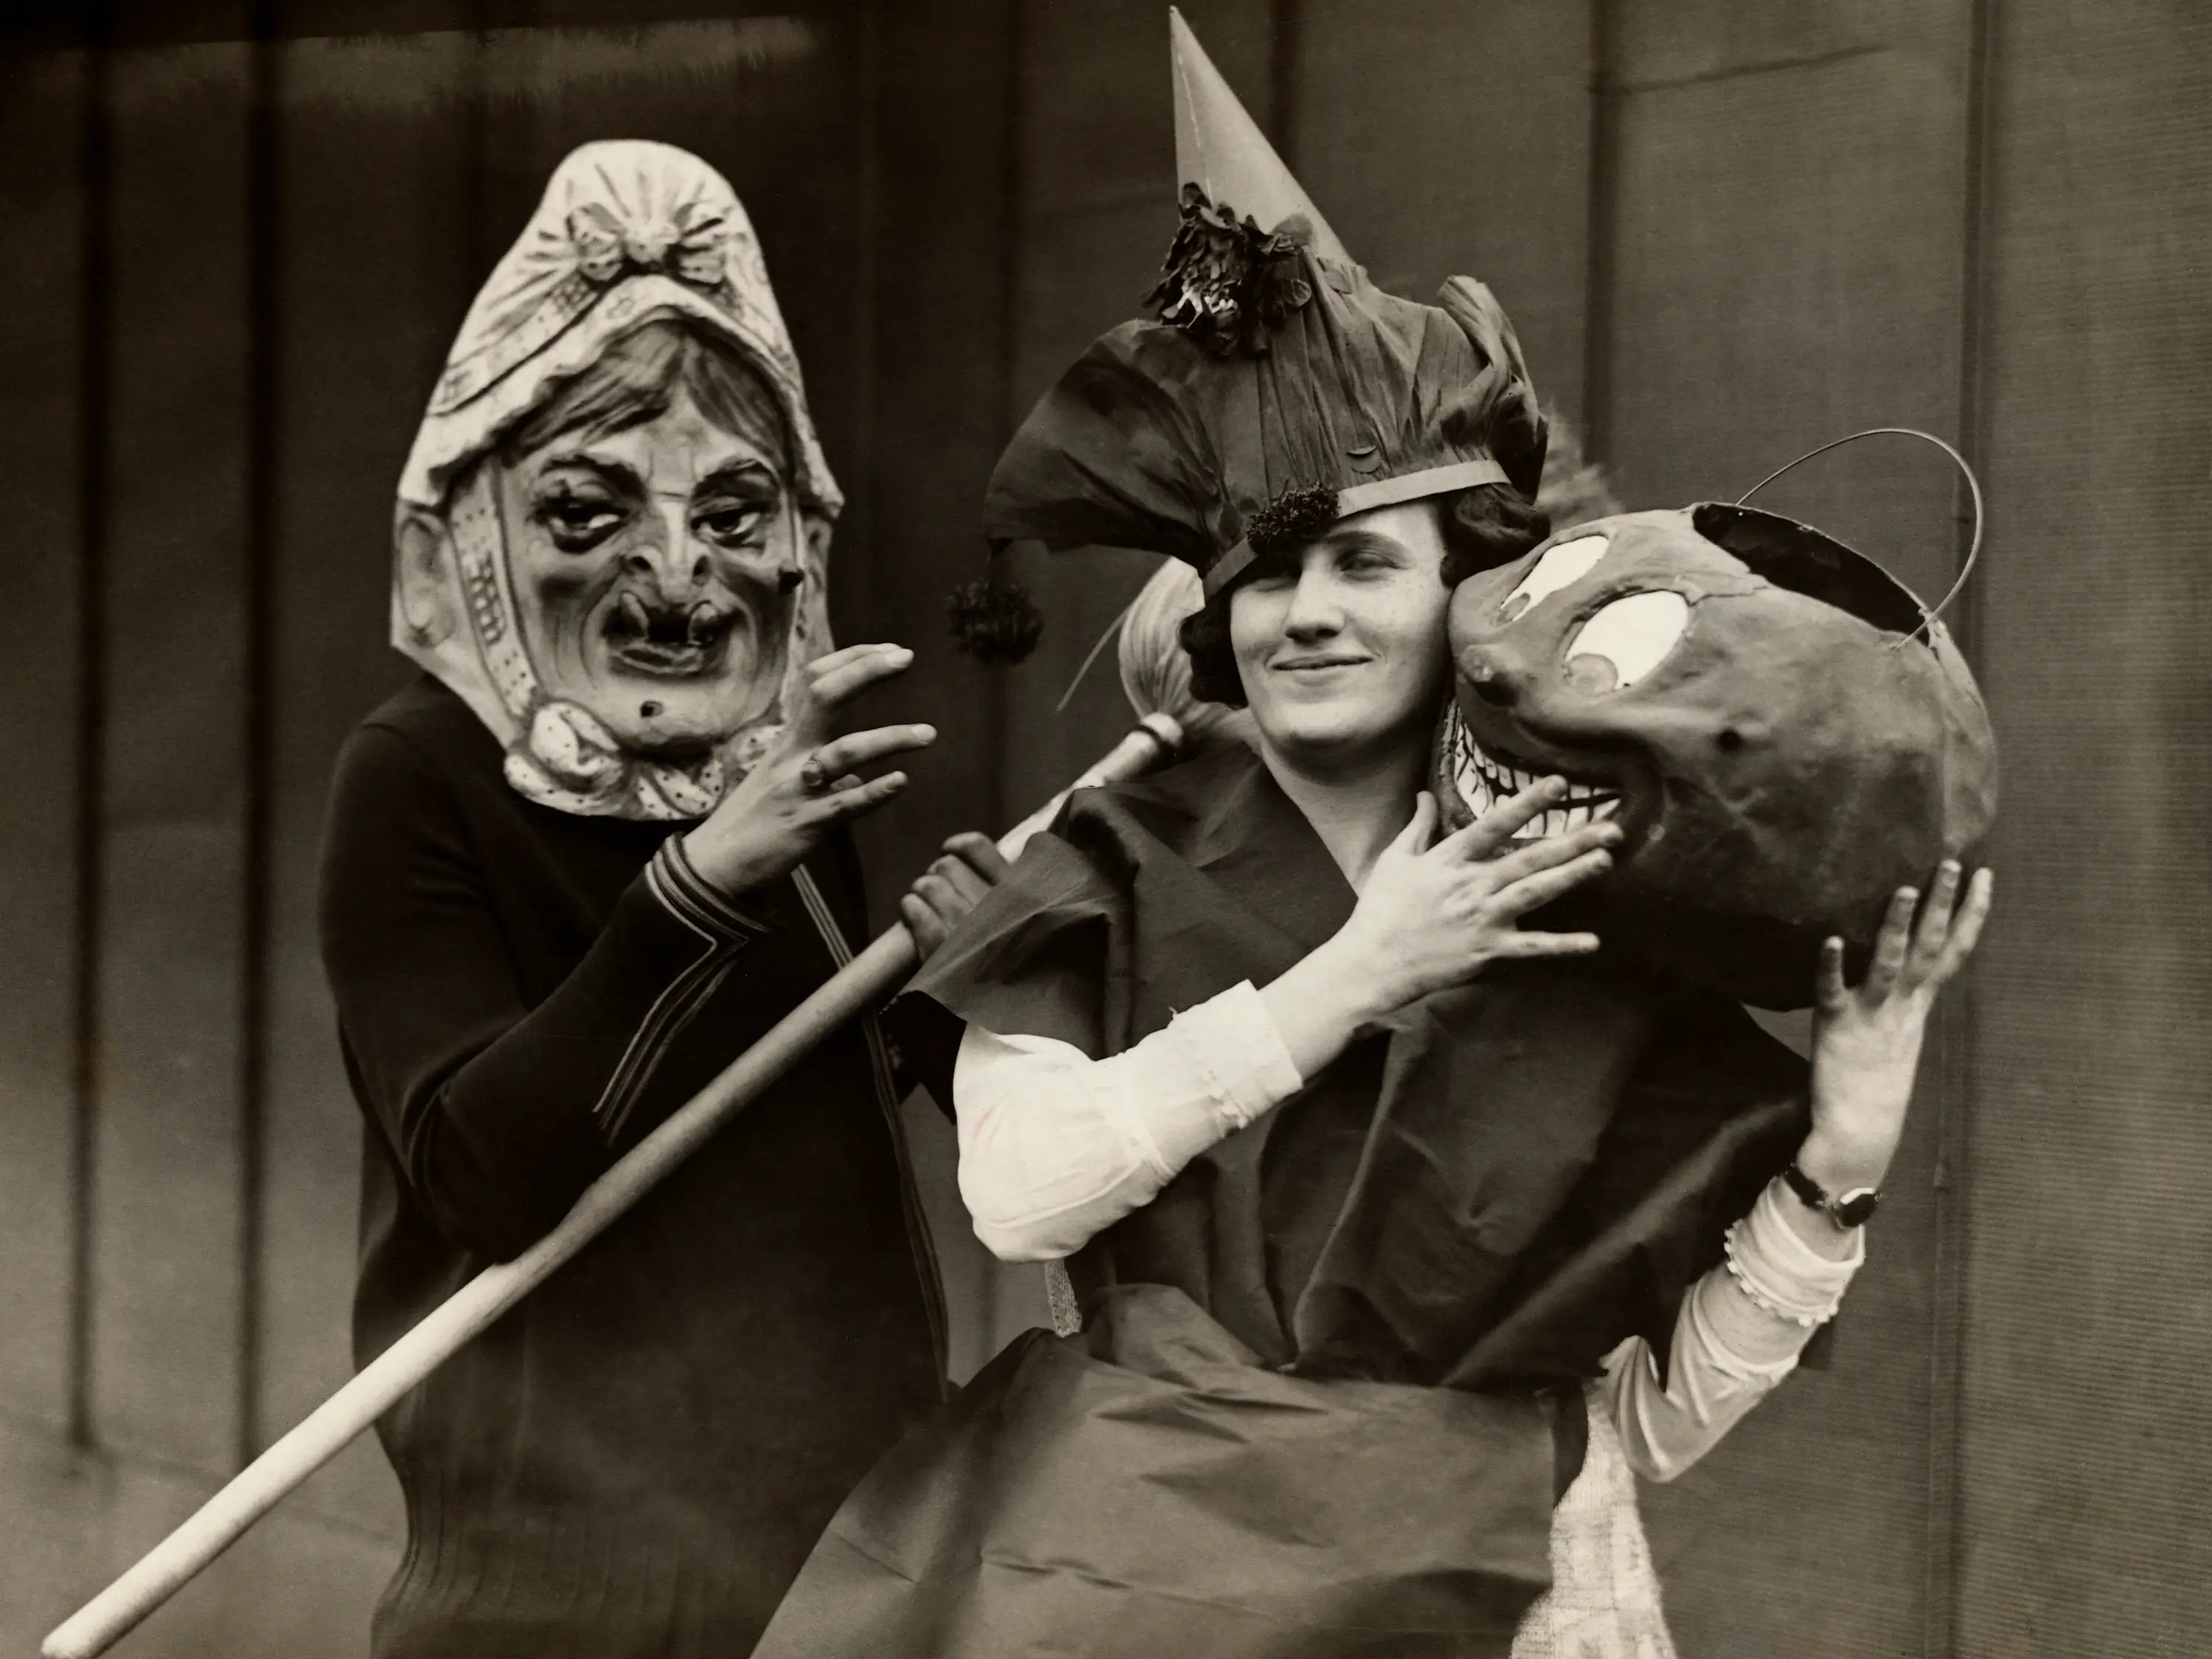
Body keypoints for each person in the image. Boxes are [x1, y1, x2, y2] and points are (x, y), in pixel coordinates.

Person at [751, 21, 1990, 1658]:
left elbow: (1635, 1431)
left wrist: (1841, 1158)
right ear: (1214, 604)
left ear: (1467, 593)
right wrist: (1355, 978)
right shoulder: (1108, 862)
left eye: (1365, 566)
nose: (1309, 613)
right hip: (1138, 1576)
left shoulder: (1579, 897)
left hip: (1507, 1609)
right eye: (1270, 572)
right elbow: (1026, 1196)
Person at [319, 141, 1004, 1659]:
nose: (681, 582)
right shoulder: (415, 772)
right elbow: (484, 1179)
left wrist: (946, 995)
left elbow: (795, 1103)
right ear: (475, 532)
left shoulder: (777, 754)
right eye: (588, 513)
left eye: (736, 511)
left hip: (855, 1562)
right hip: (567, 1592)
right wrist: (694, 891)